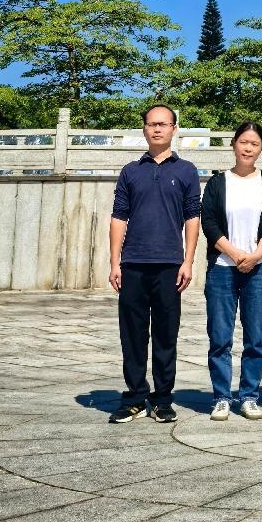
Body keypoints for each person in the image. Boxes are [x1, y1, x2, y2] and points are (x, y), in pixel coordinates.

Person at [108, 104, 201, 424]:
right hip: (133, 263)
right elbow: (119, 216)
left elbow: (192, 217)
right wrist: (114, 262)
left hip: (169, 265)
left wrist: (188, 261)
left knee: (165, 335)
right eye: (151, 124)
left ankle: (162, 398)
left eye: (163, 124)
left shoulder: (186, 170)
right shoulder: (130, 171)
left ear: (174, 128)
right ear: (144, 129)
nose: (157, 129)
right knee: (132, 335)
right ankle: (134, 397)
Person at [201, 121, 262, 421]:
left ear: (261, 149)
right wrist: (234, 254)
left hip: (258, 269)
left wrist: (256, 255)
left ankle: (249, 396)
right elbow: (209, 222)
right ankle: (222, 397)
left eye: (255, 144)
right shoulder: (218, 182)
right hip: (222, 268)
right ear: (234, 144)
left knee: (256, 336)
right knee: (220, 336)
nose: (248, 148)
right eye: (244, 142)